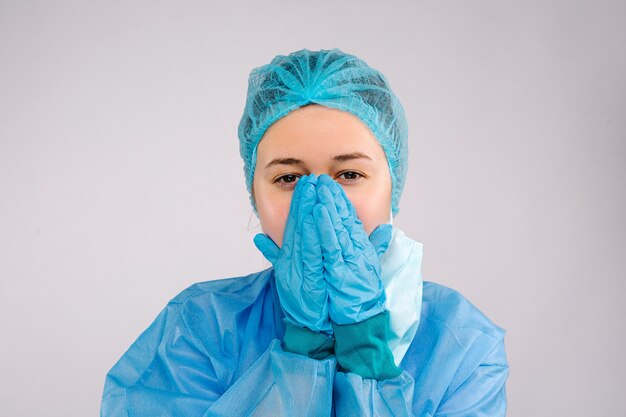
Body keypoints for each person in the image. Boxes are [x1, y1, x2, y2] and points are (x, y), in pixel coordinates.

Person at [100, 48, 509, 417]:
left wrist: (364, 345)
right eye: (289, 178)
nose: (319, 204)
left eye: (349, 174)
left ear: (393, 186)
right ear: (254, 195)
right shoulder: (198, 329)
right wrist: (304, 351)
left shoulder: (462, 347)